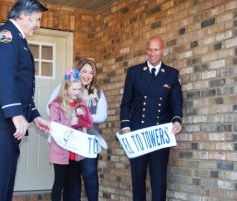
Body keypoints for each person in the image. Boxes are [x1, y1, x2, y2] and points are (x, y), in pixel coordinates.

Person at [0, 1, 50, 200]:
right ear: (23, 15)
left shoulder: (18, 39)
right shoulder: (5, 35)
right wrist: (16, 114)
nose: (38, 25)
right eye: (38, 19)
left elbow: (20, 87)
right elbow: (4, 76)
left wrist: (34, 117)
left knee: (5, 183)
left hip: (6, 123)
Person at [120, 36, 183, 201]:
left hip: (159, 136)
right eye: (149, 49)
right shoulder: (134, 72)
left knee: (159, 182)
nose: (152, 53)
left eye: (156, 50)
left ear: (163, 51)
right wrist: (126, 127)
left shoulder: (171, 74)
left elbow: (176, 103)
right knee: (138, 180)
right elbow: (126, 103)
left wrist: (177, 120)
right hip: (138, 135)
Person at [47, 59, 107, 201]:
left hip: (88, 140)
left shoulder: (97, 93)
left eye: (91, 73)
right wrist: (68, 118)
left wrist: (83, 117)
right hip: (67, 141)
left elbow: (103, 115)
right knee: (71, 178)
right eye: (84, 71)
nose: (87, 75)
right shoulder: (63, 87)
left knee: (89, 172)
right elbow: (50, 108)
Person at [48, 69, 93, 201]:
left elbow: (89, 123)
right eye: (74, 89)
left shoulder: (82, 103)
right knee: (59, 183)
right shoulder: (56, 104)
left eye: (79, 89)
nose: (77, 92)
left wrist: (80, 118)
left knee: (70, 184)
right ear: (66, 88)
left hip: (75, 151)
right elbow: (54, 126)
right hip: (61, 150)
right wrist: (70, 123)